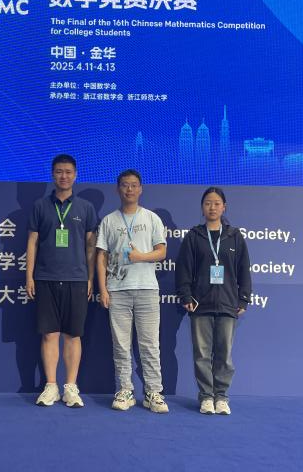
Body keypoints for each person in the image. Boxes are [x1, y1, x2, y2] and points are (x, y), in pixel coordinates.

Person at [26, 154, 97, 407]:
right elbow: (32, 242)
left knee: (73, 335)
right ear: (52, 174)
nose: (63, 176)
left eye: (68, 172)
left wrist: (90, 278)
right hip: (45, 278)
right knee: (49, 335)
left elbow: (91, 246)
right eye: (58, 171)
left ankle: (70, 387)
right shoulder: (40, 206)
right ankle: (51, 386)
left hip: (76, 279)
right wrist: (29, 276)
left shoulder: (86, 208)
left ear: (75, 175)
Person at [96, 169, 168, 413]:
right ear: (118, 189)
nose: (129, 189)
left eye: (134, 185)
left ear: (141, 189)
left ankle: (153, 392)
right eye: (125, 185)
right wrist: (103, 289)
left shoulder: (151, 218)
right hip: (117, 290)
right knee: (121, 345)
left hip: (147, 288)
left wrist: (140, 257)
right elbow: (101, 257)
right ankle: (125, 390)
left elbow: (162, 252)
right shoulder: (109, 221)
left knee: (150, 345)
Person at [175, 187, 251, 415]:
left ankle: (222, 397)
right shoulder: (194, 236)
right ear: (202, 207)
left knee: (224, 354)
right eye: (208, 203)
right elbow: (183, 270)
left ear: (224, 207)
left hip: (228, 304)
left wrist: (243, 299)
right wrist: (186, 296)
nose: (212, 207)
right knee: (202, 354)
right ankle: (206, 397)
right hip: (200, 304)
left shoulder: (235, 236)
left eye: (217, 203)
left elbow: (244, 270)